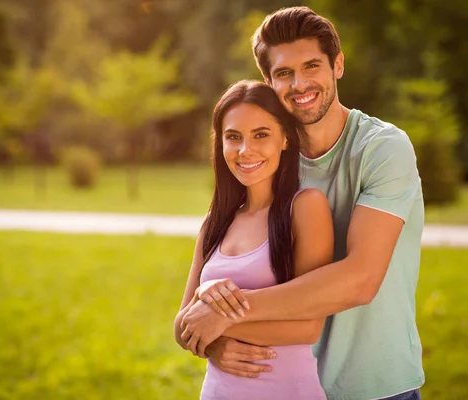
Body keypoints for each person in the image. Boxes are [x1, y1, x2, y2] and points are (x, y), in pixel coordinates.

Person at [179, 6, 425, 400]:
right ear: (268, 80)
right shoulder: (269, 160)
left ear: (338, 65)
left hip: (375, 386)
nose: (300, 83)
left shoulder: (382, 148)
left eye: (311, 65)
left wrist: (223, 317)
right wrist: (213, 340)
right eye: (283, 73)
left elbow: (360, 280)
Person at [174, 80, 334, 399]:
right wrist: (212, 342)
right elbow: (182, 325)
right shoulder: (214, 223)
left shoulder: (305, 207)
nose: (245, 150)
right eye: (233, 137)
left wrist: (216, 325)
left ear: (285, 139)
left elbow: (308, 327)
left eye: (261, 135)